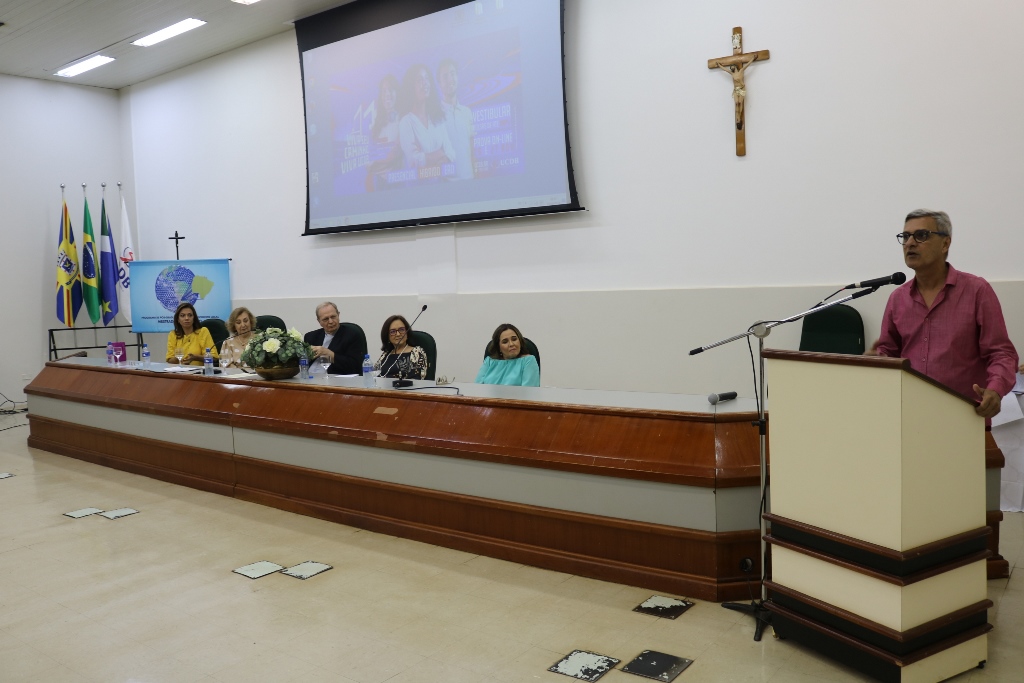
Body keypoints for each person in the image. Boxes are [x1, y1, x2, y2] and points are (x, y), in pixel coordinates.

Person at [868, 209, 1017, 419]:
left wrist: (995, 390)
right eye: (905, 236)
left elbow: (1001, 353)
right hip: (911, 414)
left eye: (921, 235)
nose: (910, 243)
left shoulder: (977, 291)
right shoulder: (897, 298)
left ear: (945, 243)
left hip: (965, 415)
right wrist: (876, 361)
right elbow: (888, 353)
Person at [398, 63, 455, 172]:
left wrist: (429, 158)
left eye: (427, 78)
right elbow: (413, 160)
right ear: (411, 87)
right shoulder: (406, 122)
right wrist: (439, 154)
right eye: (419, 80)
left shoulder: (437, 117)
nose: (425, 83)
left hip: (443, 181)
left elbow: (451, 152)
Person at [303, 302, 364, 375]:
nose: (331, 321)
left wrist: (330, 355)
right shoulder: (310, 337)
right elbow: (303, 362)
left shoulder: (351, 335)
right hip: (308, 378)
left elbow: (355, 366)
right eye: (325, 319)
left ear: (338, 315)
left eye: (333, 317)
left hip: (334, 379)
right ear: (319, 321)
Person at [438, 59, 474, 179]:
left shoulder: (467, 112)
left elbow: (472, 151)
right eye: (445, 76)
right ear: (439, 83)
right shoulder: (435, 115)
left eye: (452, 74)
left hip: (470, 183)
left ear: (457, 77)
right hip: (446, 185)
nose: (450, 79)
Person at [365, 75, 403, 192]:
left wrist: (373, 163)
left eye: (390, 90)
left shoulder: (403, 120)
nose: (387, 94)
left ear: (397, 93)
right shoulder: (377, 122)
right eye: (384, 91)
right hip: (379, 183)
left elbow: (393, 154)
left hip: (396, 183)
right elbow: (368, 157)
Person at [475, 323, 540, 387]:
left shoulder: (528, 361)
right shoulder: (489, 361)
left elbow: (528, 392)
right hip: (486, 394)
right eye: (505, 342)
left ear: (520, 341)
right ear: (498, 347)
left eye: (514, 339)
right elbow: (477, 388)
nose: (511, 344)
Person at [374, 315, 428, 379]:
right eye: (393, 331)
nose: (398, 334)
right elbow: (373, 375)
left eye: (401, 330)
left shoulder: (416, 352)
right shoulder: (385, 354)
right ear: (387, 335)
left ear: (407, 332)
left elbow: (417, 379)